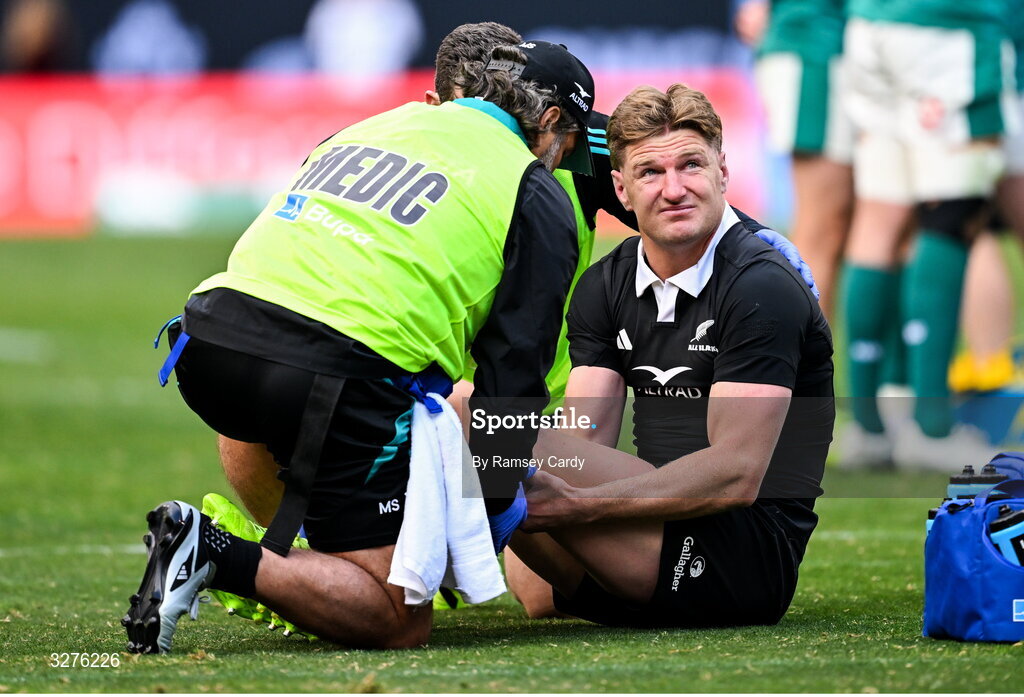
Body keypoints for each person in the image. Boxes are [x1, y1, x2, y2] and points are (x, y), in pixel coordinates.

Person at [123, 40, 596, 653]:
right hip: (325, 372)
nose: (568, 163)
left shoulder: (373, 124)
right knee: (398, 618)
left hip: (209, 339)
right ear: (552, 121)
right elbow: (515, 377)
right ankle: (217, 554)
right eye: (573, 145)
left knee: (297, 405)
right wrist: (495, 503)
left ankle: (309, 572)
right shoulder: (535, 188)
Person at [505, 83, 834, 627]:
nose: (674, 189)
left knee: (486, 422)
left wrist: (576, 508)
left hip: (744, 558)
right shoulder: (603, 286)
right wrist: (533, 495)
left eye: (691, 166)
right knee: (474, 418)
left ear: (723, 173)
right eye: (650, 173)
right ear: (621, 189)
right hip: (644, 531)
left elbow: (737, 474)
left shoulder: (761, 285)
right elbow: (581, 439)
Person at [837, 0, 1016, 469]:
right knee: (953, 212)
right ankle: (931, 427)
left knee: (879, 218)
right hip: (946, 29)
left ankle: (870, 429)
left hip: (872, 25)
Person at [738, 0, 853, 320]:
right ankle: (794, 355)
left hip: (832, 47)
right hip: (816, 48)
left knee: (848, 225)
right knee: (823, 223)